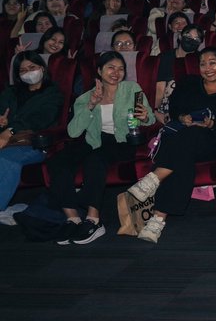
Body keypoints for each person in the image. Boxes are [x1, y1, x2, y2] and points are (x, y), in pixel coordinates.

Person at [116, 47, 216, 243]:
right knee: (182, 155)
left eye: (213, 63)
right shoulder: (189, 83)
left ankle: (153, 181)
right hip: (179, 137)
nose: (208, 68)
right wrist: (182, 117)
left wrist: (212, 123)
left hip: (211, 142)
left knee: (184, 143)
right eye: (203, 64)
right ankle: (158, 219)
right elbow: (174, 108)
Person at [47, 52, 153, 245]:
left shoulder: (132, 89)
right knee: (57, 160)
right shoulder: (86, 97)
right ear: (99, 71)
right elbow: (73, 132)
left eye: (121, 69)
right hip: (93, 140)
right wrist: (90, 105)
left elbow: (149, 119)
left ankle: (93, 220)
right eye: (111, 67)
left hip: (122, 141)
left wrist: (145, 117)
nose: (116, 72)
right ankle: (72, 218)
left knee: (95, 159)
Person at [0, 52, 64, 223]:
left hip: (33, 143)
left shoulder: (52, 93)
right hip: (4, 137)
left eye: (32, 67)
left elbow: (41, 119)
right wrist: (2, 121)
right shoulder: (11, 92)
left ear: (42, 68)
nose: (28, 72)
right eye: (23, 70)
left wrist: (10, 129)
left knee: (5, 159)